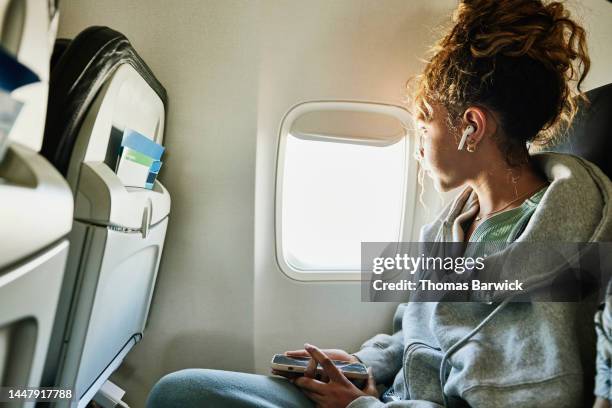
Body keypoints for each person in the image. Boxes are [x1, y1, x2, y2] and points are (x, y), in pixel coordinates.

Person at [146, 0, 612, 406]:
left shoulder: (560, 248)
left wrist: (362, 407)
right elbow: (412, 333)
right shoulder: (452, 225)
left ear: (472, 126)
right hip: (382, 395)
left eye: (426, 126)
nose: (420, 147)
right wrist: (358, 364)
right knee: (180, 390)